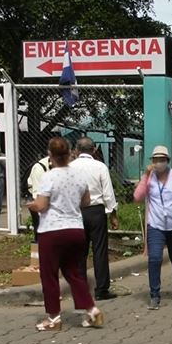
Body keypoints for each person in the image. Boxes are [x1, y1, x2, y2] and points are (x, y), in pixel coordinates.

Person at [26, 137, 105, 332]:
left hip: (52, 231)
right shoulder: (79, 176)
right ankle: (91, 309)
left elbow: (42, 205)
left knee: (50, 275)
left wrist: (32, 204)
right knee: (73, 273)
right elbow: (86, 201)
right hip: (75, 229)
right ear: (70, 153)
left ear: (50, 156)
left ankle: (53, 318)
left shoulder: (49, 177)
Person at [133, 145, 172, 310]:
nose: (158, 163)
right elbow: (137, 197)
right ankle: (154, 295)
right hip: (155, 225)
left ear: (167, 161)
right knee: (155, 259)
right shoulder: (149, 177)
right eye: (155, 160)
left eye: (162, 160)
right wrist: (145, 176)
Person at [71, 138, 120, 300]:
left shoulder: (70, 167)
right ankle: (101, 290)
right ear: (93, 150)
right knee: (99, 250)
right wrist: (113, 214)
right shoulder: (100, 167)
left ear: (77, 150)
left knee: (79, 252)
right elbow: (108, 193)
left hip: (77, 212)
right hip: (96, 211)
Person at [26, 154, 50, 241]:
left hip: (46, 199)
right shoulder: (39, 168)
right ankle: (37, 250)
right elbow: (36, 194)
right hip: (35, 197)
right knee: (39, 228)